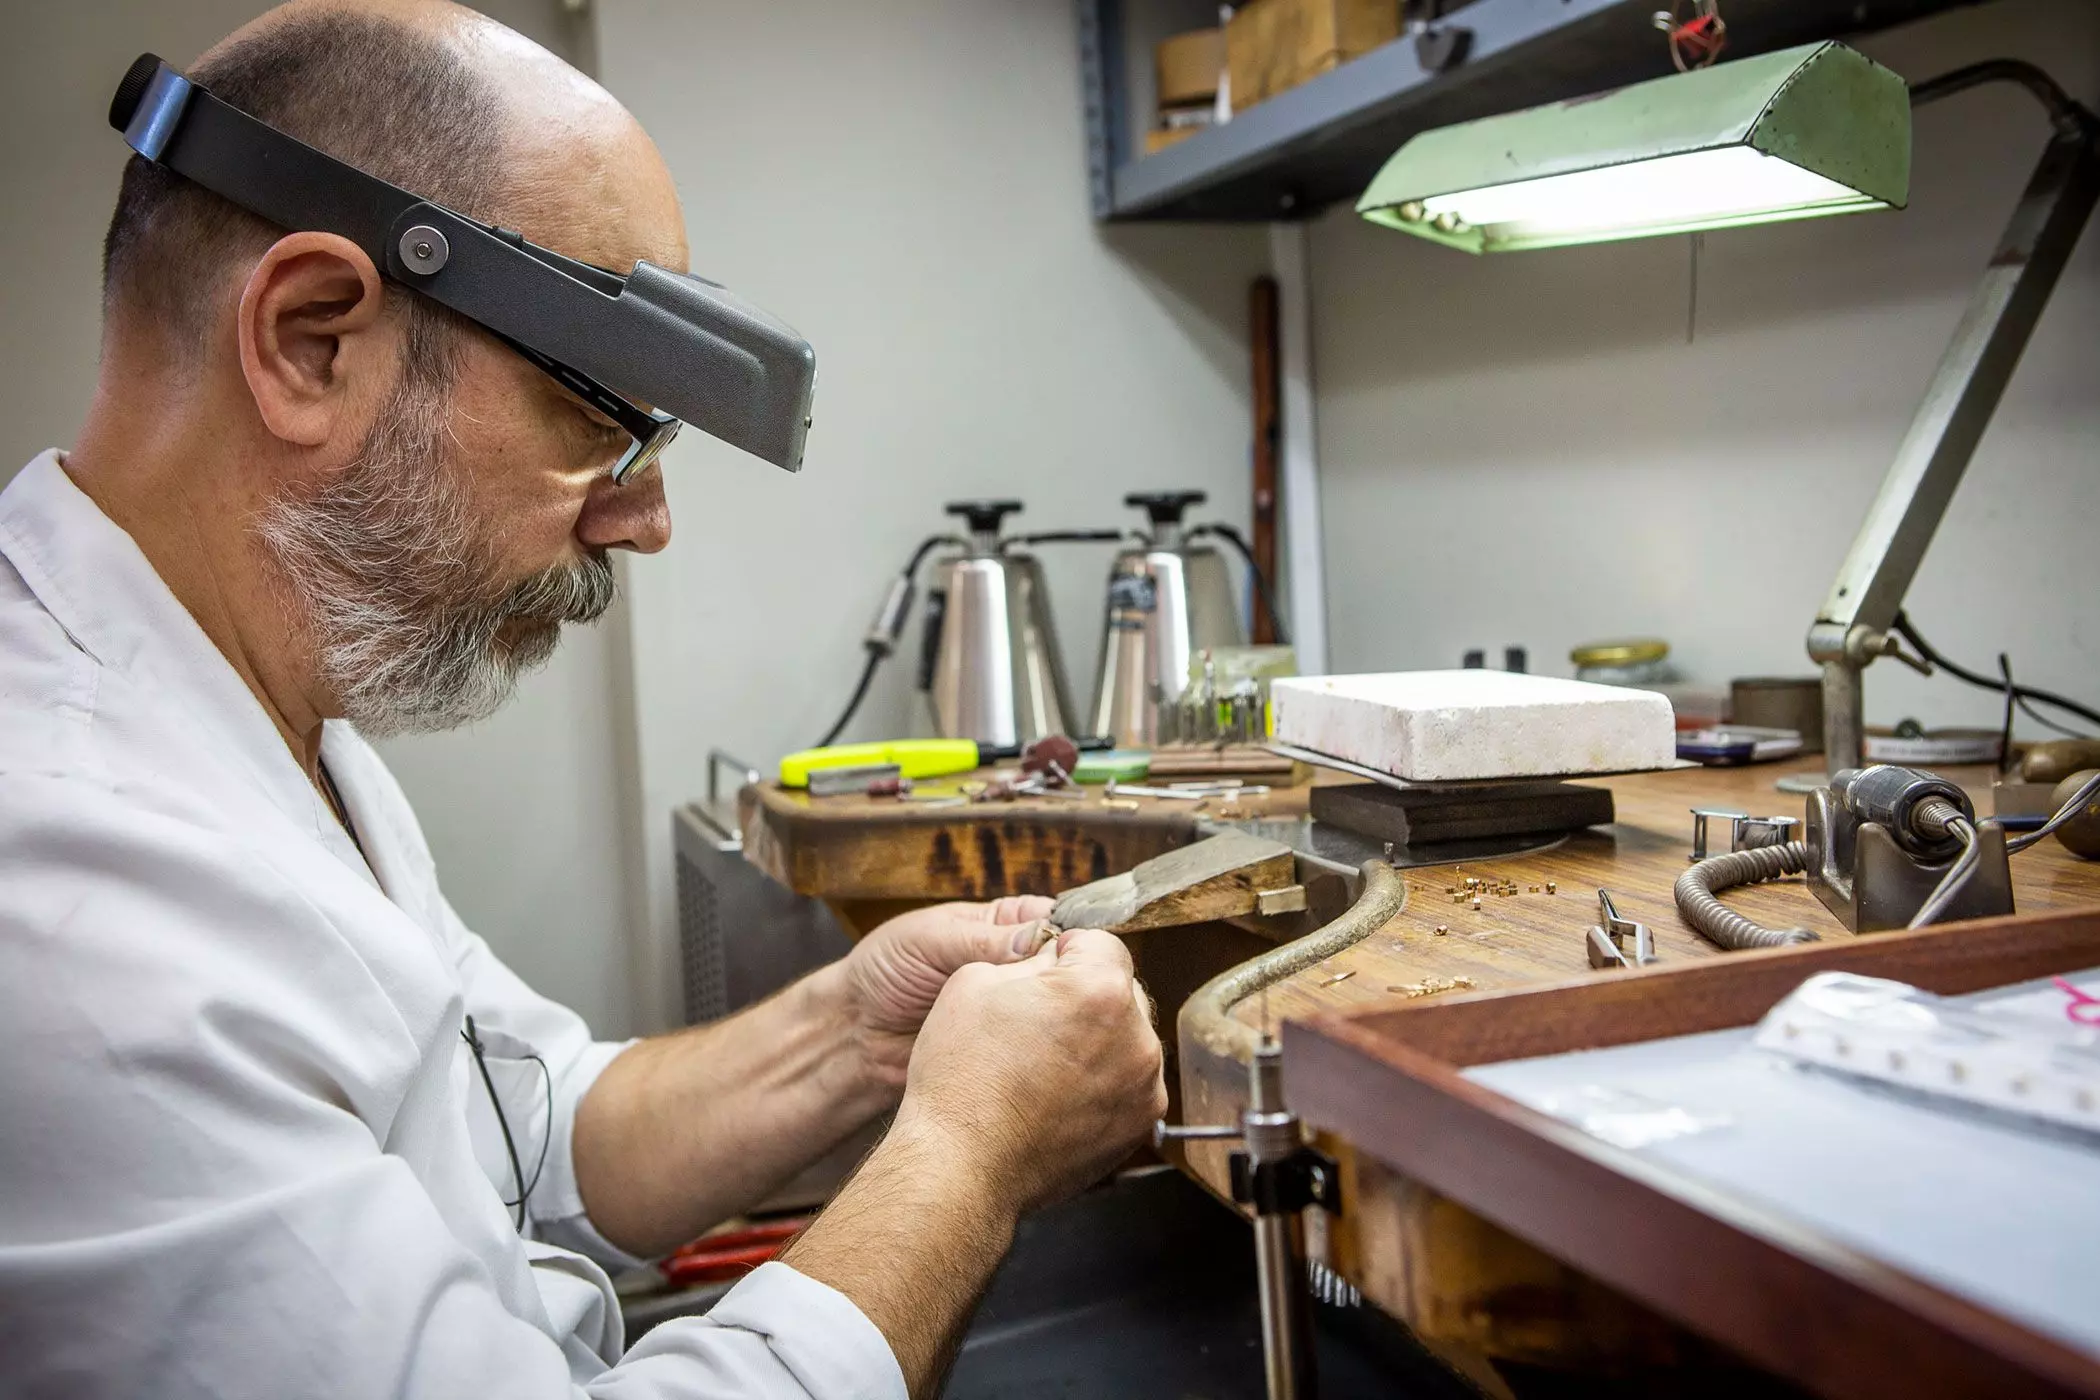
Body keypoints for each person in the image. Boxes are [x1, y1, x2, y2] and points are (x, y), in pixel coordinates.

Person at [0, 3, 1167, 1397]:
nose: (647, 521)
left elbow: (534, 1121)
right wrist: (966, 1159)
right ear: (312, 337)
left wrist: (854, 1036)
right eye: (603, 415)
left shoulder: (257, 727)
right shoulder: (72, 914)